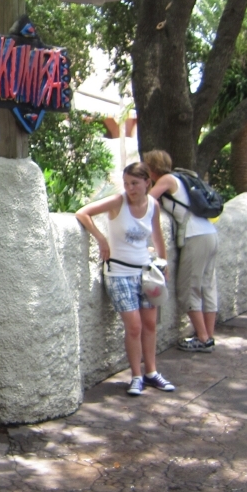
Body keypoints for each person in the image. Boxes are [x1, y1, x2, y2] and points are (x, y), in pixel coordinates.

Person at [76, 162, 173, 396]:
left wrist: (164, 262)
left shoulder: (153, 205)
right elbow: (83, 213)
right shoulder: (118, 201)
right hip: (119, 272)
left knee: (150, 324)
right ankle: (136, 376)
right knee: (134, 326)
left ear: (147, 183)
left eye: (135, 183)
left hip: (146, 272)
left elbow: (157, 236)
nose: (130, 188)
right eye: (127, 183)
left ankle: (151, 372)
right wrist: (101, 239)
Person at [144, 150, 219, 353]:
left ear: (151, 167)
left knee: (189, 288)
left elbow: (147, 201)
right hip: (209, 233)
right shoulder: (180, 178)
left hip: (195, 237)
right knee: (207, 286)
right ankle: (208, 336)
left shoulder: (167, 180)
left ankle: (202, 338)